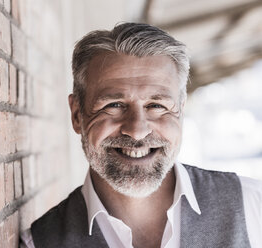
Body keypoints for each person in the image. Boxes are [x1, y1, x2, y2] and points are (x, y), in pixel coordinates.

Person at [21, 23, 262, 248]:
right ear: (77, 115)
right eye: (114, 105)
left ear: (180, 111)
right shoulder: (39, 243)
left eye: (157, 105)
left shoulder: (254, 207)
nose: (137, 130)